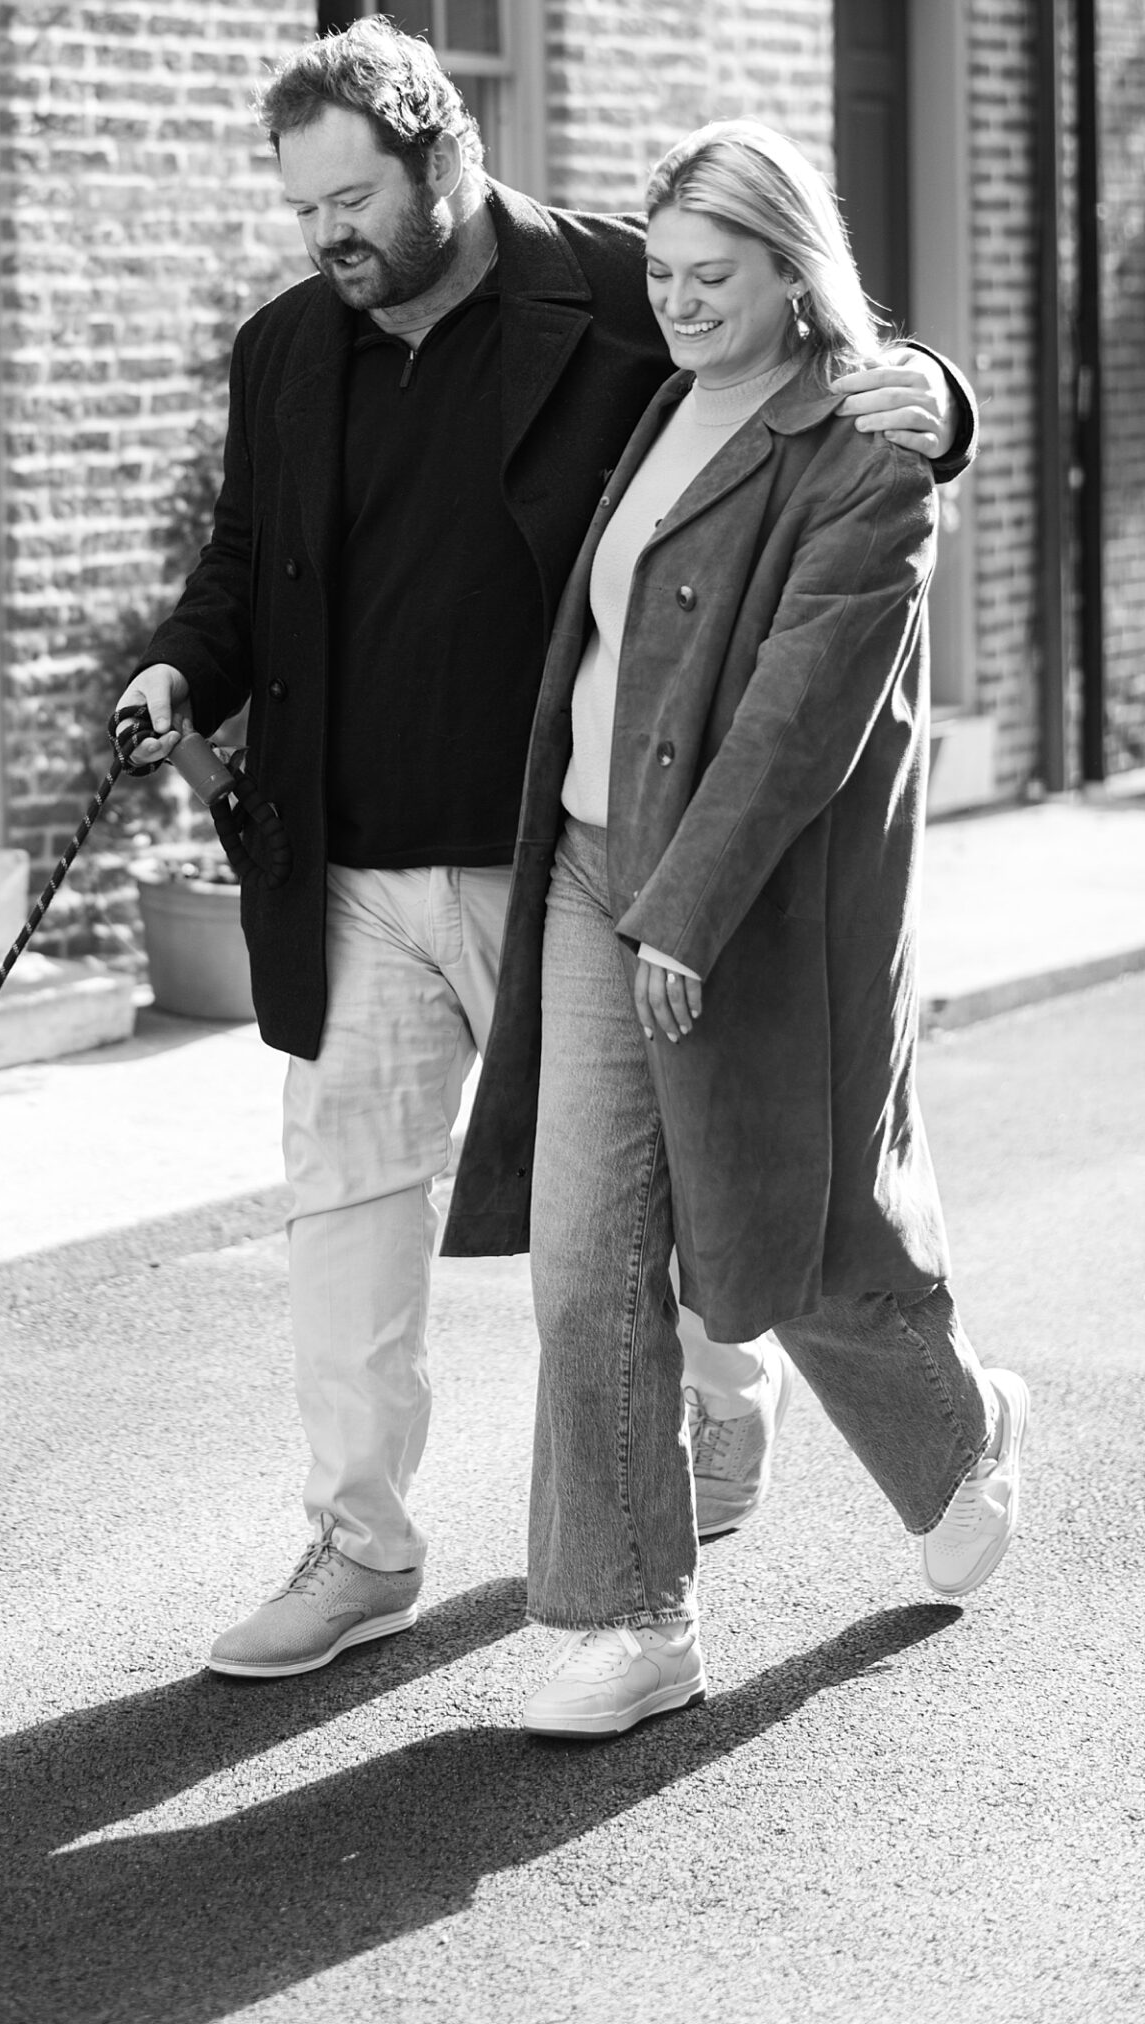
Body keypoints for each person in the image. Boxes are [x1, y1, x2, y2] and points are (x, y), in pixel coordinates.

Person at [115, 21, 974, 1679]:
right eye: (300, 210)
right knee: (347, 1200)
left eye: (351, 199)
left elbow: (794, 353)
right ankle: (361, 1542)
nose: (325, 238)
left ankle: (727, 1410)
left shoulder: (615, 288)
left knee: (649, 1206)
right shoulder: (290, 346)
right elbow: (245, 563)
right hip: (347, 867)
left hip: (565, 858)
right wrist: (180, 662)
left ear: (443, 155)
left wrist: (936, 401)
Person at [442, 119, 1026, 1738]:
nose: (680, 302)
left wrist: (684, 915)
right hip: (580, 862)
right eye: (663, 272)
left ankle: (965, 1434)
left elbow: (796, 715)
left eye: (716, 277)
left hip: (743, 902)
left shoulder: (861, 449)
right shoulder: (658, 373)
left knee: (792, 1241)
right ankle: (636, 1620)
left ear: (795, 274)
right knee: (588, 1257)